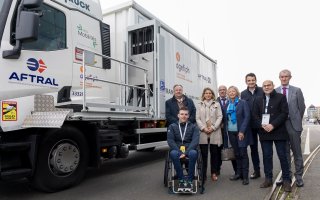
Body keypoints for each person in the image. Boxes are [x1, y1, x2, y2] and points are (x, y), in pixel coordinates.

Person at [253, 80, 292, 192]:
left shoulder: (281, 97)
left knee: (282, 156)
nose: (266, 87)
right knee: (267, 156)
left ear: (273, 86)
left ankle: (286, 180)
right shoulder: (258, 99)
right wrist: (261, 125)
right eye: (264, 86)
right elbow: (254, 115)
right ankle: (268, 179)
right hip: (264, 132)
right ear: (262, 87)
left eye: (268, 85)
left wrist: (273, 125)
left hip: (279, 131)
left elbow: (284, 113)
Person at [275, 69, 306, 187]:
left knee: (297, 152)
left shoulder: (297, 91)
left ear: (290, 77)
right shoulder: (276, 91)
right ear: (279, 78)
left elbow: (301, 107)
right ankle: (286, 176)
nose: (284, 78)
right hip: (280, 126)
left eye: (286, 76)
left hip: (293, 125)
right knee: (284, 153)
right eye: (282, 77)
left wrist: (297, 121)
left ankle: (299, 177)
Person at [224, 86, 251, 185]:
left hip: (241, 132)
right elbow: (226, 119)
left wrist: (242, 131)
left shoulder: (242, 102)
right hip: (231, 132)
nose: (231, 93)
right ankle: (238, 173)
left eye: (233, 91)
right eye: (229, 91)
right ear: (228, 93)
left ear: (237, 92)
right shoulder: (227, 104)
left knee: (243, 153)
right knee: (237, 154)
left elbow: (247, 117)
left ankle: (245, 176)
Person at [167, 106, 200, 190]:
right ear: (178, 115)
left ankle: (189, 180)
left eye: (186, 114)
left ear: (188, 116)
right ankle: (181, 179)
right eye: (182, 114)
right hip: (177, 149)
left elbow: (195, 142)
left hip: (189, 149)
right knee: (173, 153)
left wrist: (185, 153)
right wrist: (180, 152)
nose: (184, 116)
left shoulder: (194, 127)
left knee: (193, 153)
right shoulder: (172, 126)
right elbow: (171, 141)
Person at [196, 87, 223, 182]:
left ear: (212, 95)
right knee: (203, 155)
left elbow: (220, 117)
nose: (208, 95)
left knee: (214, 154)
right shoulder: (199, 105)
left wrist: (213, 127)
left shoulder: (217, 104)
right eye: (206, 93)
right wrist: (203, 128)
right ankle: (203, 174)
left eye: (210, 93)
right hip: (203, 132)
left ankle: (213, 172)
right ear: (203, 95)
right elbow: (197, 118)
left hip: (214, 132)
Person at [240, 73, 264, 179]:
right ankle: (257, 171)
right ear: (246, 82)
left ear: (256, 80)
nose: (251, 82)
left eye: (253, 80)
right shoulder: (243, 94)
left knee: (266, 149)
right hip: (249, 126)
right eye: (249, 80)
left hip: (262, 124)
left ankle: (268, 173)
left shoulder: (262, 91)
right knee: (253, 149)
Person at [217, 85, 237, 176]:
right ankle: (217, 170)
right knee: (218, 151)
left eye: (224, 89)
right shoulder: (215, 101)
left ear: (226, 91)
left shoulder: (231, 101)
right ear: (218, 91)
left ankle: (237, 171)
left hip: (229, 129)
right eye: (220, 90)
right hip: (218, 130)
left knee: (232, 149)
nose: (222, 91)